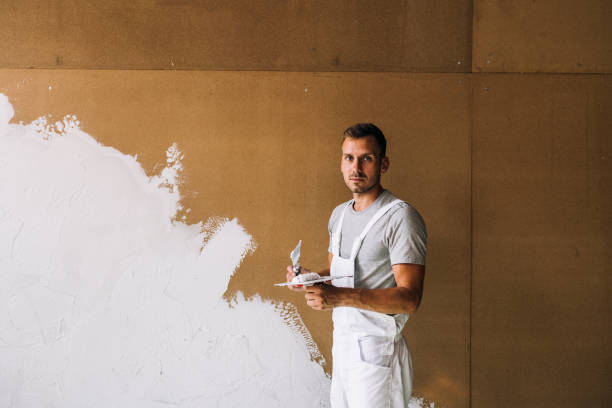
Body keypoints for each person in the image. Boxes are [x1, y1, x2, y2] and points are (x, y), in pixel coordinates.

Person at [285, 123, 427, 408]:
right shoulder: (338, 216)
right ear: (341, 162)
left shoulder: (400, 217)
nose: (356, 167)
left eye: (367, 158)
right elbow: (340, 276)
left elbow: (409, 298)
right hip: (344, 346)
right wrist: (309, 279)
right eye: (349, 157)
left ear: (383, 164)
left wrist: (338, 297)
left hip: (378, 351)